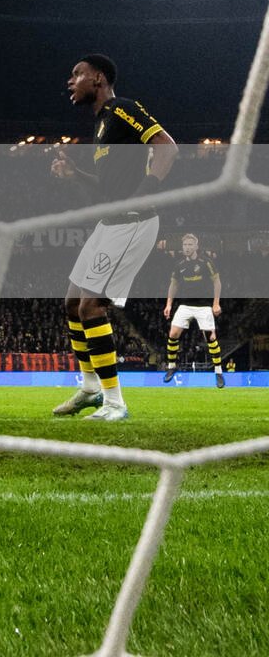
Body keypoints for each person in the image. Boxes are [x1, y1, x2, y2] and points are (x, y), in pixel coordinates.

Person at [50, 55, 176, 423]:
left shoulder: (122, 108)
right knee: (72, 303)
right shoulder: (102, 125)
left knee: (92, 307)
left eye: (77, 74)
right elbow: (109, 190)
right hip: (109, 222)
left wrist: (147, 190)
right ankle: (90, 388)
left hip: (133, 223)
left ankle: (115, 403)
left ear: (99, 78)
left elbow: (167, 146)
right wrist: (75, 174)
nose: (70, 81)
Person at [164, 234, 222, 387]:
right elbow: (173, 284)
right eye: (185, 245)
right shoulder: (179, 264)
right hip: (185, 305)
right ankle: (171, 367)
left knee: (210, 337)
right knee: (173, 334)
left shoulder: (206, 262)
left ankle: (218, 371)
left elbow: (217, 282)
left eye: (190, 244)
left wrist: (216, 303)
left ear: (196, 246)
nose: (187, 247)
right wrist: (169, 304)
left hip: (203, 306)